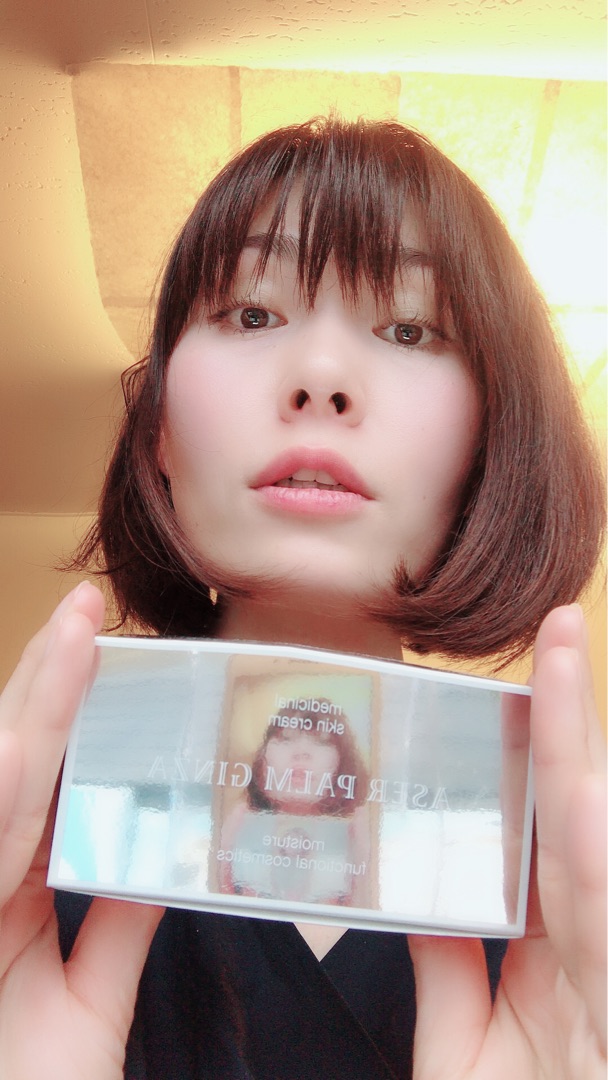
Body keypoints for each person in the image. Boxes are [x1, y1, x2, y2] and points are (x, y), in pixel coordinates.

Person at [0, 117, 605, 1079]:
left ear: (490, 442)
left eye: (409, 328)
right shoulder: (29, 854)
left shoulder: (568, 919)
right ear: (159, 429)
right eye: (250, 314)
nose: (321, 379)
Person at [217, 701, 371, 905]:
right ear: (263, 759)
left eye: (322, 741)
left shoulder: (355, 829)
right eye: (285, 739)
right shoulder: (241, 820)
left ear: (343, 762)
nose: (301, 752)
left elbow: (366, 907)